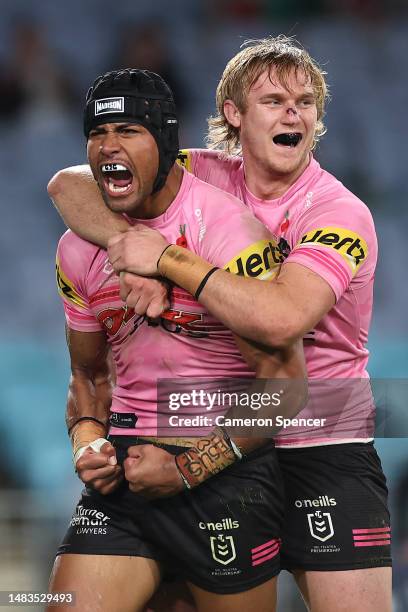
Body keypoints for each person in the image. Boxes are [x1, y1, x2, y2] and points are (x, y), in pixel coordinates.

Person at [48, 37, 392, 612]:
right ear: (233, 113)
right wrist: (128, 249)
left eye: (306, 103)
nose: (294, 114)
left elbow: (282, 317)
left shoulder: (337, 212)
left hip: (320, 441)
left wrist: (166, 260)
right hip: (214, 435)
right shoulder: (202, 173)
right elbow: (68, 184)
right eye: (275, 100)